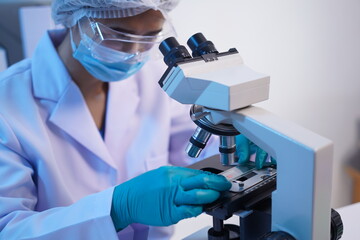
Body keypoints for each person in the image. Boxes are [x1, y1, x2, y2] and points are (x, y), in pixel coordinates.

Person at [0, 0, 271, 239]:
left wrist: (241, 139)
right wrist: (117, 209)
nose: (133, 53)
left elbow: (195, 150)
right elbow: (8, 230)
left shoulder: (153, 77)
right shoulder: (8, 107)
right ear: (75, 18)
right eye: (117, 35)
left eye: (150, 38)